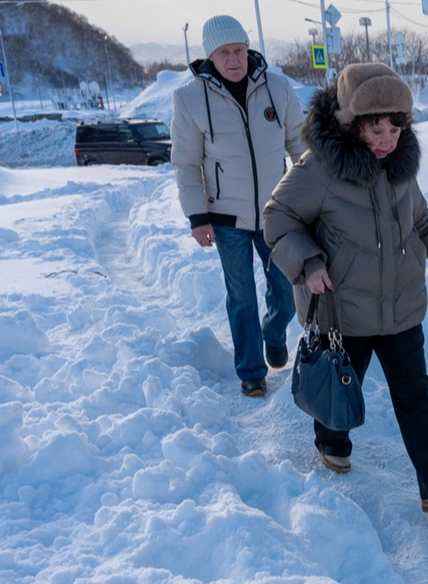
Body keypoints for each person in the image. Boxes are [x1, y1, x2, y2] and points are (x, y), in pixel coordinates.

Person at [263, 63, 428, 517]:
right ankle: (331, 440)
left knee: (416, 398)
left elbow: (419, 217)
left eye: (396, 129)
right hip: (344, 308)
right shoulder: (319, 169)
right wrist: (310, 262)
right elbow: (276, 218)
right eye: (377, 129)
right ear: (352, 124)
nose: (387, 140)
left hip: (401, 306)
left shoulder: (400, 167)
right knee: (340, 383)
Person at [172, 15, 306, 397]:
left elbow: (300, 145)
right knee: (242, 294)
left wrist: (317, 196)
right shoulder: (189, 99)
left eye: (240, 50)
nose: (234, 60)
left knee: (285, 287)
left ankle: (274, 332)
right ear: (210, 57)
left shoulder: (277, 89)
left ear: (248, 49)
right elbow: (185, 163)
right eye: (225, 53)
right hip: (225, 218)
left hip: (275, 213)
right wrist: (197, 217)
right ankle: (251, 371)